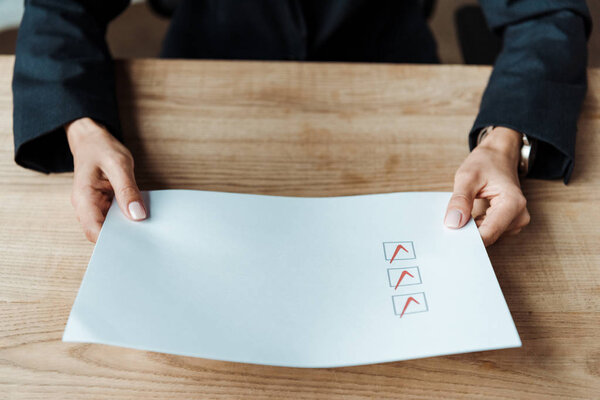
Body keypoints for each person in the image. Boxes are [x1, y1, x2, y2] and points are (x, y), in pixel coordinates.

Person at [12, 1, 591, 245]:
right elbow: (61, 7)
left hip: (399, 91)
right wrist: (81, 124)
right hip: (203, 83)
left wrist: (507, 135)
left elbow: (546, 10)